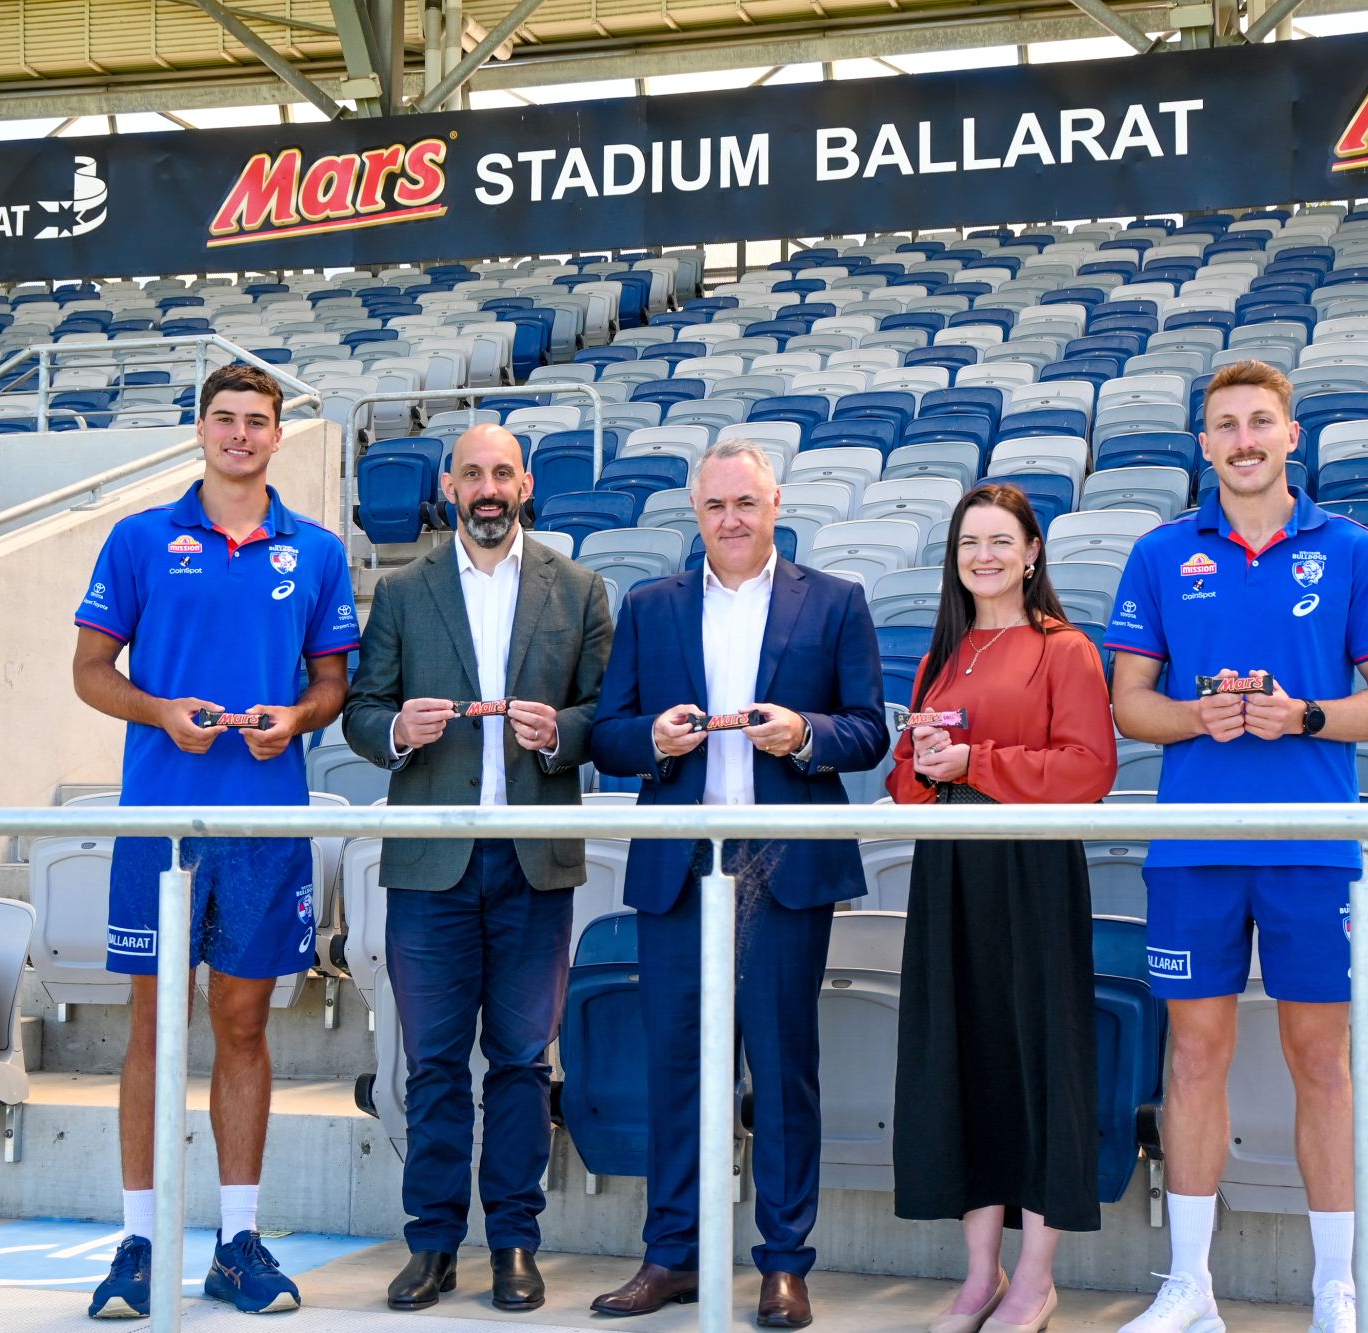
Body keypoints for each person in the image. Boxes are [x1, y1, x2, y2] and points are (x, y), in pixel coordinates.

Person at [1104, 361, 1368, 1333]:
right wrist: (1198, 716)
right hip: (1192, 844)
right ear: (1202, 444)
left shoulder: (1354, 549)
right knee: (1193, 1055)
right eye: (1223, 425)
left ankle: (1336, 1287)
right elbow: (1128, 706)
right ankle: (1188, 1287)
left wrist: (1305, 714)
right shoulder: (1159, 553)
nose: (1241, 440)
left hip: (1313, 847)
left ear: (1290, 435)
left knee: (1319, 1059)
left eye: (1258, 423)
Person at [72, 363, 359, 1319]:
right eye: (225, 419)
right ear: (200, 429)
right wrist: (160, 711)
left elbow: (333, 684)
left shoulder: (313, 550)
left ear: (279, 436)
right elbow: (89, 671)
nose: (240, 434)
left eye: (257, 421)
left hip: (263, 822)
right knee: (155, 1025)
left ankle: (239, 1242)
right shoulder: (140, 537)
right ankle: (139, 1245)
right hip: (160, 818)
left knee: (243, 1025)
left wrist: (297, 717)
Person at [587, 438, 888, 1328]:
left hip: (782, 863)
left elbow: (869, 729)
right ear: (696, 511)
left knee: (785, 1065)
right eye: (717, 506)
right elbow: (607, 734)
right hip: (681, 863)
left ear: (776, 504)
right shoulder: (649, 606)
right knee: (676, 1065)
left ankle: (785, 1265)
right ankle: (671, 1256)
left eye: (746, 504)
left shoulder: (836, 602)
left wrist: (803, 734)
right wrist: (655, 741)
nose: (732, 520)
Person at [341, 423, 612, 1314]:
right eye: (471, 474)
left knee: (524, 1063)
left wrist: (562, 733)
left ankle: (515, 1244)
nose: (488, 488)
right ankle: (431, 1244)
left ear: (526, 483)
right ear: (449, 487)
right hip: (430, 866)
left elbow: (605, 713)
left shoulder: (577, 589)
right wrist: (395, 731)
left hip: (533, 864)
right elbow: (360, 711)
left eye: (503, 473)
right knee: (431, 1064)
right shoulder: (406, 590)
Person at [886, 483, 1118, 1333]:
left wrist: (974, 760)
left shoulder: (1066, 650)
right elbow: (907, 784)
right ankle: (979, 1273)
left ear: (1032, 553)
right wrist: (924, 763)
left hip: (1032, 874)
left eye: (999, 541)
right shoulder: (940, 656)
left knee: (1038, 1062)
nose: (983, 556)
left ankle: (1036, 1277)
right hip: (950, 873)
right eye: (967, 543)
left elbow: (1090, 770)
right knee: (964, 1059)